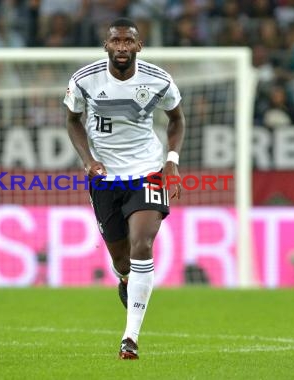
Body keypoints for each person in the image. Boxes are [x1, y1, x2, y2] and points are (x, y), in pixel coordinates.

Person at [63, 18, 185, 360]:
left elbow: (177, 119)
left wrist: (171, 159)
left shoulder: (158, 80)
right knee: (121, 259)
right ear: (106, 46)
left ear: (138, 46)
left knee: (142, 243)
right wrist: (87, 160)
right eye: (115, 41)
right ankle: (126, 280)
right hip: (103, 178)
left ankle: (130, 338)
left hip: (147, 171)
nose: (121, 47)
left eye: (127, 41)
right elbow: (72, 119)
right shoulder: (84, 80)